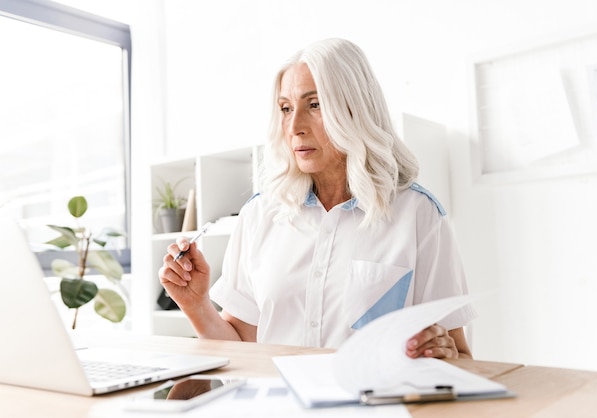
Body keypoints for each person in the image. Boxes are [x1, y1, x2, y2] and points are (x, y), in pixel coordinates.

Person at [159, 38, 477, 359]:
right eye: (285, 109)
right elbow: (241, 348)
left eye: (314, 105)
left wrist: (442, 354)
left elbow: (460, 354)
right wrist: (195, 304)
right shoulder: (259, 215)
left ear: (356, 109)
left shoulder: (418, 214)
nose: (295, 126)